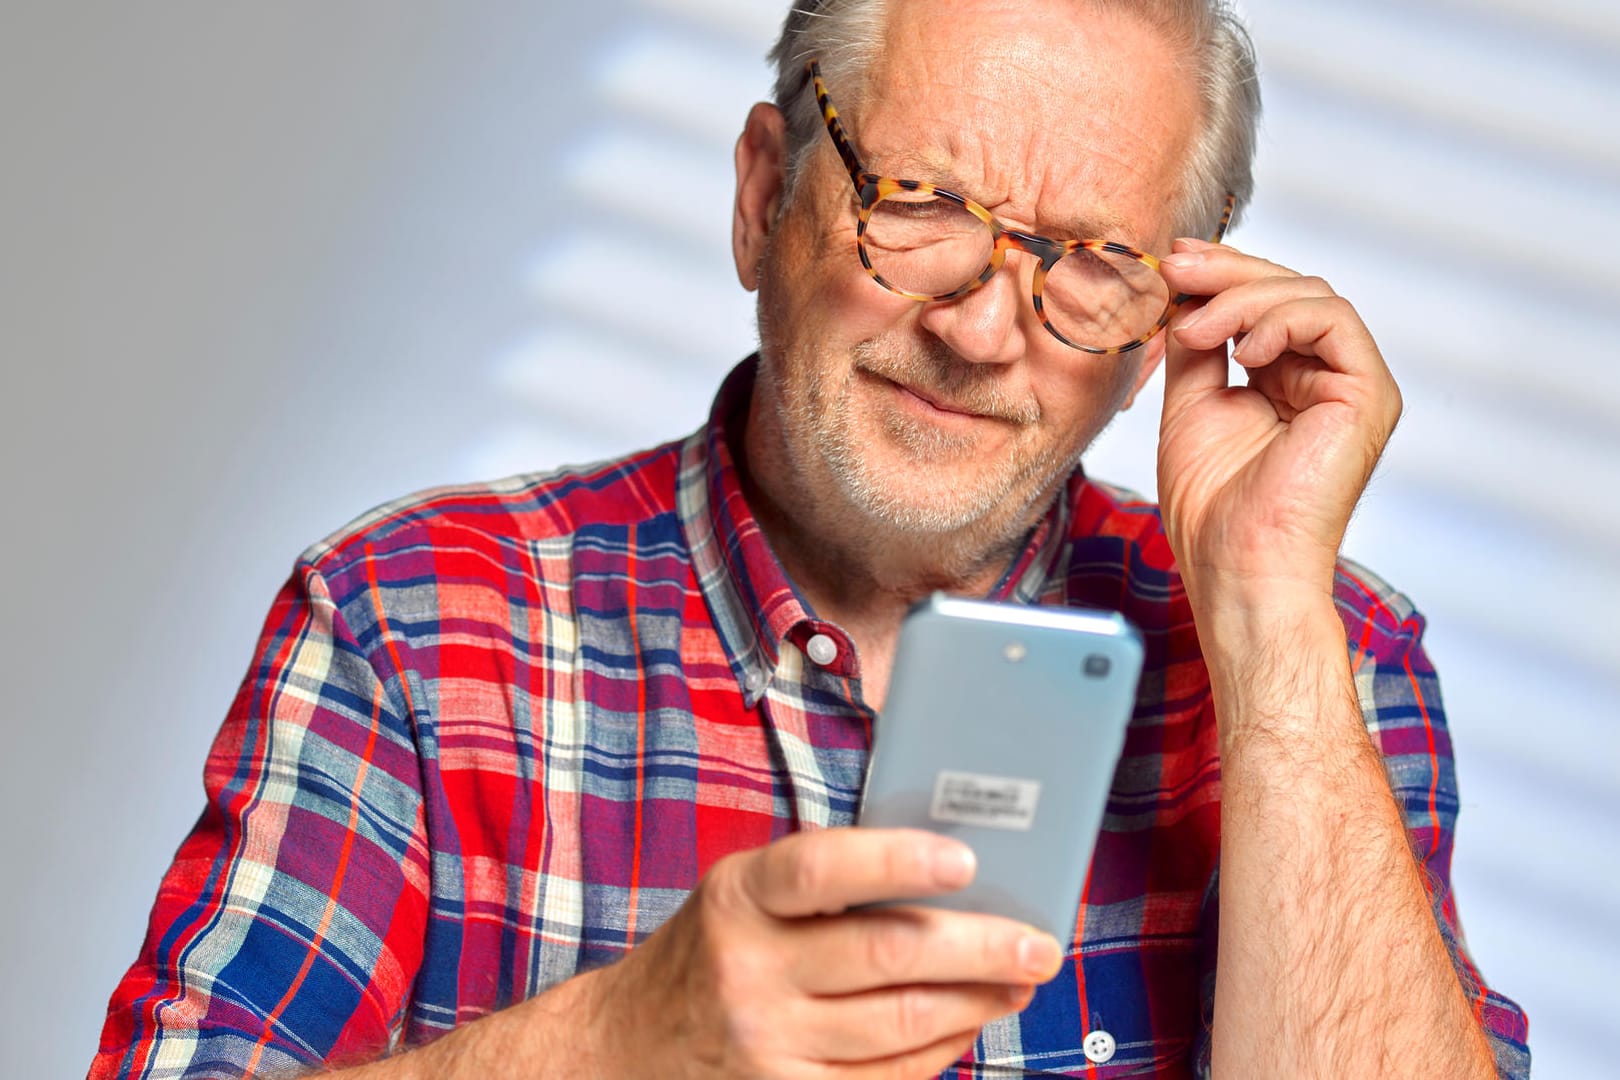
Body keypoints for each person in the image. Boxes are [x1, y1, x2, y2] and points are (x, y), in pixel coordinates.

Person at [92, 1, 1530, 1076]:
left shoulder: (1319, 657)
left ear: (1165, 326)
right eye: (919, 206)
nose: (979, 332)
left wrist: (1273, 626)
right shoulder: (410, 624)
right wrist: (616, 1044)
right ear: (762, 198)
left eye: (1089, 265)